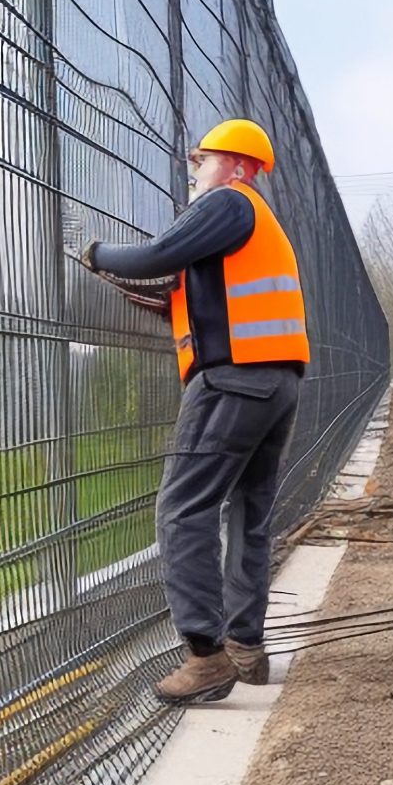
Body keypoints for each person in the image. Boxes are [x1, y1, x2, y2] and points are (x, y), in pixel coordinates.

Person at [73, 118, 308, 707]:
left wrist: (96, 251)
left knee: (183, 509)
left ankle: (205, 656)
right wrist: (169, 303)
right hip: (275, 382)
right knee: (249, 513)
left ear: (234, 164)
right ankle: (246, 649)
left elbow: (158, 251)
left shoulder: (231, 201)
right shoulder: (254, 225)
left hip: (233, 382)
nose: (194, 175)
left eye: (200, 163)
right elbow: (219, 297)